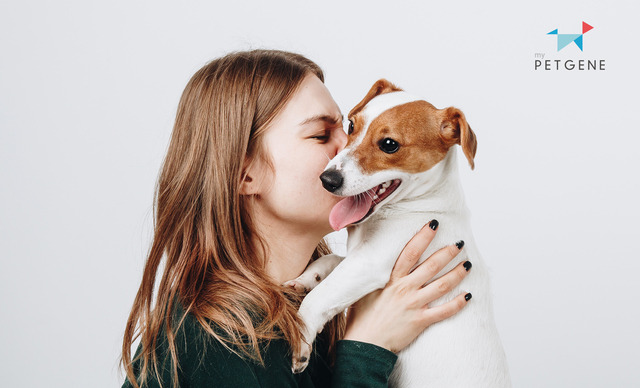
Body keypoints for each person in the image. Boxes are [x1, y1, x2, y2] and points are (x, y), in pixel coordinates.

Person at [120, 49, 473, 388]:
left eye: (347, 127)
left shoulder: (301, 310)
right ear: (246, 176)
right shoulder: (215, 343)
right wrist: (367, 350)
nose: (347, 150)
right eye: (321, 135)